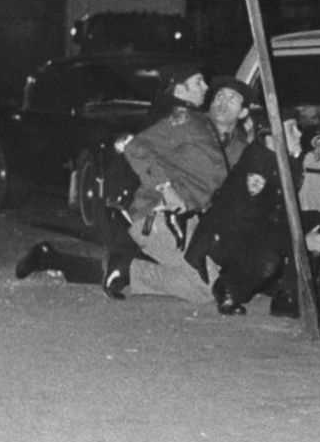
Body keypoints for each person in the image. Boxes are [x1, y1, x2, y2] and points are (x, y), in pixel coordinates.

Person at [15, 61, 219, 294]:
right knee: (195, 282)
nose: (206, 87)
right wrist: (166, 190)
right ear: (179, 90)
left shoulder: (185, 116)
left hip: (165, 214)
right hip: (158, 214)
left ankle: (51, 258)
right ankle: (99, 266)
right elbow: (136, 151)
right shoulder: (178, 117)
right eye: (198, 82)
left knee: (143, 271)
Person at [184, 119, 320, 316]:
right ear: (273, 135)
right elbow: (256, 225)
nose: (298, 134)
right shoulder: (257, 167)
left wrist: (318, 141)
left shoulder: (277, 153)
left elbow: (304, 138)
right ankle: (229, 288)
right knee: (268, 259)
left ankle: (289, 298)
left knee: (317, 221)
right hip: (228, 236)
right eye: (292, 129)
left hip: (262, 226)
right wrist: (301, 242)